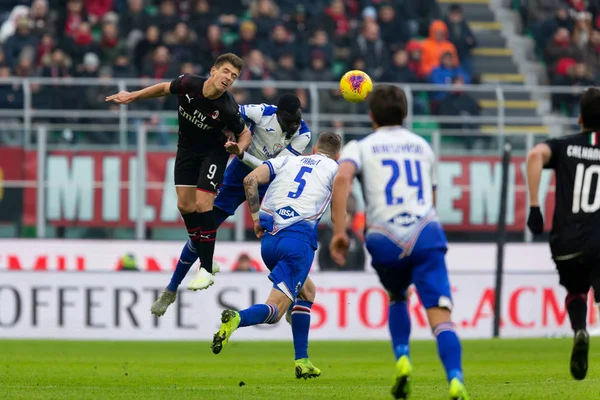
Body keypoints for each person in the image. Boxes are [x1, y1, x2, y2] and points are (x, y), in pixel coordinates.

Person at [329, 85, 468, 400]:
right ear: (405, 114)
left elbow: (341, 177)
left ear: (371, 115)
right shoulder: (422, 146)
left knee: (397, 296)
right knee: (439, 314)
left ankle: (403, 359)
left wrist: (340, 230)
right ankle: (456, 380)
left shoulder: (361, 146)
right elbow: (432, 198)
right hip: (425, 232)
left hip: (384, 238)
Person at [150, 94, 312, 316]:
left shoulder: (303, 134)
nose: (294, 125)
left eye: (297, 119)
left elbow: (275, 167)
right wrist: (226, 129)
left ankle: (292, 299)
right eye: (289, 121)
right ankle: (171, 289)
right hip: (238, 176)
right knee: (203, 230)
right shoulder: (263, 112)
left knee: (285, 242)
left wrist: (242, 154)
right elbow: (232, 112)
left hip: (270, 182)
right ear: (278, 114)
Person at [106, 52, 252, 293]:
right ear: (213, 71)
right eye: (225, 72)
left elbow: (244, 133)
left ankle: (205, 268)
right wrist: (132, 96)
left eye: (234, 76)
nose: (228, 78)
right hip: (186, 150)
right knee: (185, 206)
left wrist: (239, 149)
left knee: (204, 203)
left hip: (213, 153)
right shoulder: (189, 84)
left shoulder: (227, 107)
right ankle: (207, 256)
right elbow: (164, 88)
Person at [210, 132, 342, 379]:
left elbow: (250, 179)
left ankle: (302, 360)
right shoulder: (336, 169)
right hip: (298, 242)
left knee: (308, 292)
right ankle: (237, 318)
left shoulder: (289, 159)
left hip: (270, 241)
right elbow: (337, 216)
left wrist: (256, 219)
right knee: (275, 311)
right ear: (337, 155)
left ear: (313, 149)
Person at [526, 87, 600, 381]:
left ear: (579, 118)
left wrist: (534, 207)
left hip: (567, 242)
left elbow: (534, 156)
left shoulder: (564, 146)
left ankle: (580, 329)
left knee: (575, 290)